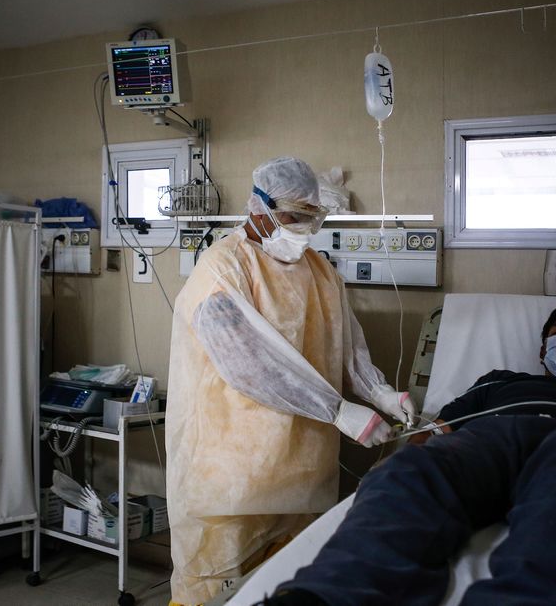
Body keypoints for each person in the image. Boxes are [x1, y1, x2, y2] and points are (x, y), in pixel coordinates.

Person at [260, 303, 556, 606]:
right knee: (411, 472)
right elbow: (437, 431)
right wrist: (402, 460)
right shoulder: (499, 381)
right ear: (542, 352)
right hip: (494, 438)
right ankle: (325, 597)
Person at [165, 156, 417, 605]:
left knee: (290, 586)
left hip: (304, 469)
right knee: (215, 590)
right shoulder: (221, 270)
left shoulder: (319, 272)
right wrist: (339, 411)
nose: (303, 228)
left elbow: (345, 346)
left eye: (311, 217)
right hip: (233, 475)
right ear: (259, 208)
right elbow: (250, 363)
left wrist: (379, 393)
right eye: (293, 217)